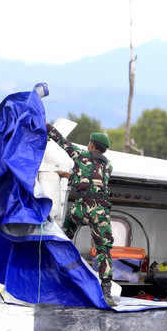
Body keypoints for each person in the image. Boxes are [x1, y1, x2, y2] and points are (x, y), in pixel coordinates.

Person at [46, 123, 116, 306]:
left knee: (63, 237)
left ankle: (55, 275)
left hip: (81, 208)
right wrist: (68, 175)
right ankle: (106, 293)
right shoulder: (108, 166)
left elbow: (63, 142)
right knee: (103, 250)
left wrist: (48, 127)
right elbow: (93, 181)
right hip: (100, 210)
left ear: (91, 145)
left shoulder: (80, 155)